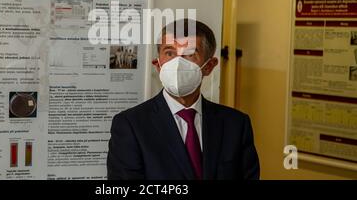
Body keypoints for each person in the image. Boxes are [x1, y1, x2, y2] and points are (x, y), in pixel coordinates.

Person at [107, 19, 260, 180]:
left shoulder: (235, 124)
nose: (178, 63)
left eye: (190, 54)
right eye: (169, 53)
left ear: (209, 66)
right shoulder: (131, 125)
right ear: (158, 65)